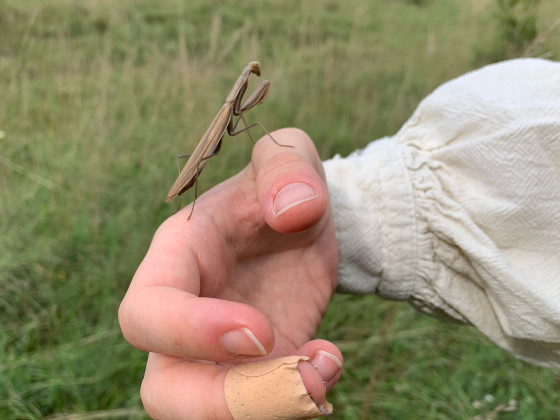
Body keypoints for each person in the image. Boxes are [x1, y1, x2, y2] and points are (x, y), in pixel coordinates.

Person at [119, 58, 560, 419]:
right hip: (197, 178)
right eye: (252, 73)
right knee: (218, 148)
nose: (257, 76)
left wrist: (351, 217)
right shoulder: (231, 112)